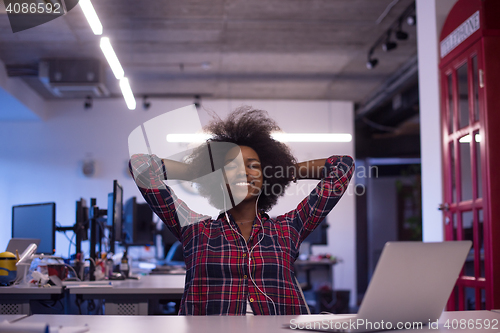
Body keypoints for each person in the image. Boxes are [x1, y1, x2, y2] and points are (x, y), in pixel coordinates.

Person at [129, 107, 354, 315]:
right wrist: (196, 170)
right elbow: (141, 166)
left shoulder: (288, 229)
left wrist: (283, 170)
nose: (243, 172)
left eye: (253, 165)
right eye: (231, 166)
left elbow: (342, 167)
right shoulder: (195, 230)